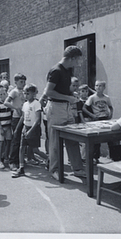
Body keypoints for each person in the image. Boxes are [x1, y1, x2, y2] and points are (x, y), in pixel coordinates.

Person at [44, 45, 86, 180]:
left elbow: (61, 90)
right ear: (72, 58)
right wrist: (68, 97)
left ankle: (77, 168)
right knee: (55, 141)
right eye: (78, 60)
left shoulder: (67, 70)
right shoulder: (56, 70)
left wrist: (71, 94)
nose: (79, 63)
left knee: (72, 139)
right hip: (56, 108)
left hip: (66, 108)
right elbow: (48, 92)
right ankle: (55, 169)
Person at [12, 84, 43, 178]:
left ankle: (49, 159)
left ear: (34, 94)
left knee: (35, 149)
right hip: (26, 127)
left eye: (28, 93)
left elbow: (38, 119)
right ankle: (21, 168)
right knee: (22, 147)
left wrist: (31, 131)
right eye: (24, 93)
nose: (26, 95)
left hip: (33, 129)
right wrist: (18, 128)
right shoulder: (25, 104)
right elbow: (23, 116)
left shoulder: (36, 103)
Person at [83, 80, 114, 163]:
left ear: (104, 87)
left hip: (105, 118)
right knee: (97, 139)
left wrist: (110, 114)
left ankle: (113, 156)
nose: (98, 88)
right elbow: (84, 108)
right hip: (97, 119)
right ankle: (95, 157)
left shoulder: (106, 98)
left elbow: (111, 107)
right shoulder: (92, 98)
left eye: (100, 86)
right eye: (96, 86)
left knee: (110, 138)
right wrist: (92, 115)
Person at [4, 73, 27, 171]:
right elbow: (6, 102)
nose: (23, 83)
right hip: (16, 117)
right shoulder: (14, 92)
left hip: (25, 117)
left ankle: (20, 159)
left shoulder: (25, 91)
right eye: (21, 82)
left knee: (23, 139)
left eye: (24, 81)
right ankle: (12, 161)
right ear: (16, 82)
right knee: (16, 139)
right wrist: (15, 108)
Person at [0, 86, 13, 169]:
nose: (2, 95)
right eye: (0, 94)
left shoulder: (9, 104)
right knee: (0, 143)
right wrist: (0, 128)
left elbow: (11, 114)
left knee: (8, 142)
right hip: (1, 127)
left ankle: (6, 158)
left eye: (4, 94)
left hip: (8, 126)